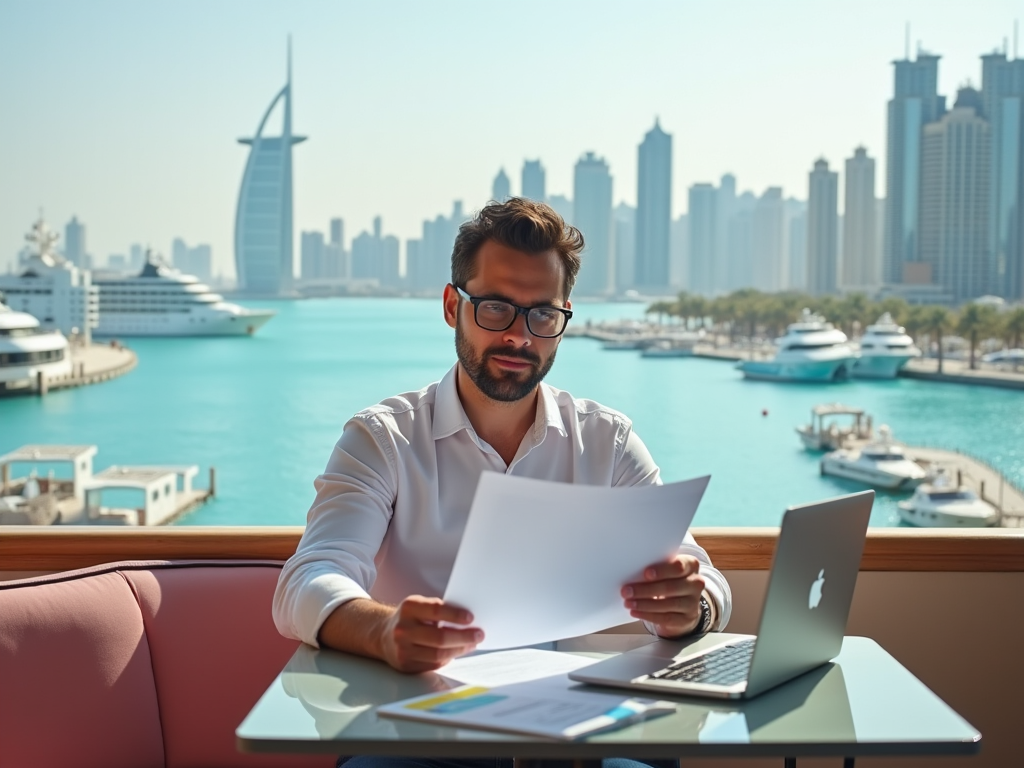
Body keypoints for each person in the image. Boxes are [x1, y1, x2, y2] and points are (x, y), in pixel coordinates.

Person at [273, 197, 733, 768]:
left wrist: (694, 607)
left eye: (542, 315)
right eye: (495, 308)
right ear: (452, 306)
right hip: (421, 728)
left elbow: (704, 576)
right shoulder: (384, 439)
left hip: (573, 729)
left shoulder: (606, 442)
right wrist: (385, 630)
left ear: (564, 319)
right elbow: (306, 582)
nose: (520, 337)